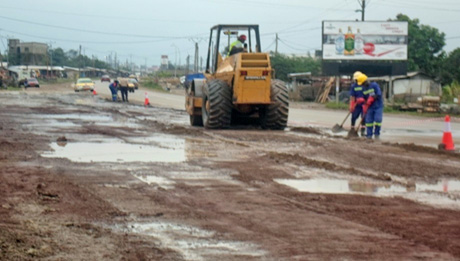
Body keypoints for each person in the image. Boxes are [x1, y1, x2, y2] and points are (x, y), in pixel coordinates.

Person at [359, 74, 384, 139]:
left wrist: (372, 98)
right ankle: (369, 135)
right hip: (369, 107)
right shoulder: (363, 89)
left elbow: (378, 94)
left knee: (378, 120)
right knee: (369, 121)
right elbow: (364, 98)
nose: (362, 85)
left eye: (362, 83)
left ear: (365, 81)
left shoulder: (374, 85)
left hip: (378, 106)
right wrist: (364, 102)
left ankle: (377, 134)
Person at [349, 71, 366, 136]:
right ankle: (352, 128)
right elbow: (352, 96)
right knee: (354, 116)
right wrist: (352, 105)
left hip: (364, 104)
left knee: (363, 117)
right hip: (357, 104)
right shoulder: (354, 86)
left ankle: (363, 130)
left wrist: (364, 100)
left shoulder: (365, 85)